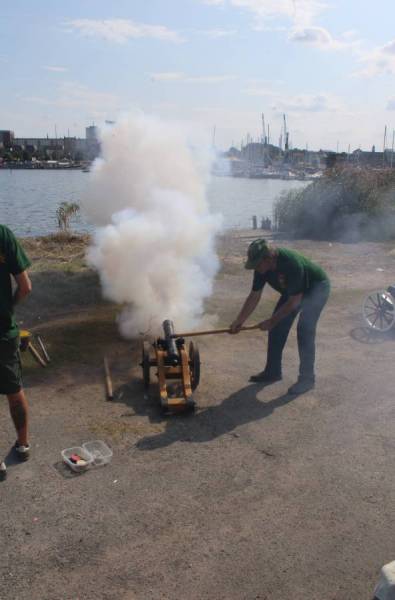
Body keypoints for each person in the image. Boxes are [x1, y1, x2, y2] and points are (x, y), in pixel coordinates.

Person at [230, 238, 330, 394]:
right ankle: (273, 372)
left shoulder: (291, 264)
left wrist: (271, 321)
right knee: (277, 328)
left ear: (269, 258)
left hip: (316, 288)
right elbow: (255, 295)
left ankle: (307, 379)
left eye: (257, 264)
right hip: (292, 292)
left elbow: (295, 301)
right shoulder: (262, 269)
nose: (256, 268)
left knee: (304, 331)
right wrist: (239, 320)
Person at [0, 224, 32, 476]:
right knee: (14, 391)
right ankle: (23, 445)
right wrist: (8, 307)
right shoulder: (2, 234)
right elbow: (25, 287)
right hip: (4, 332)